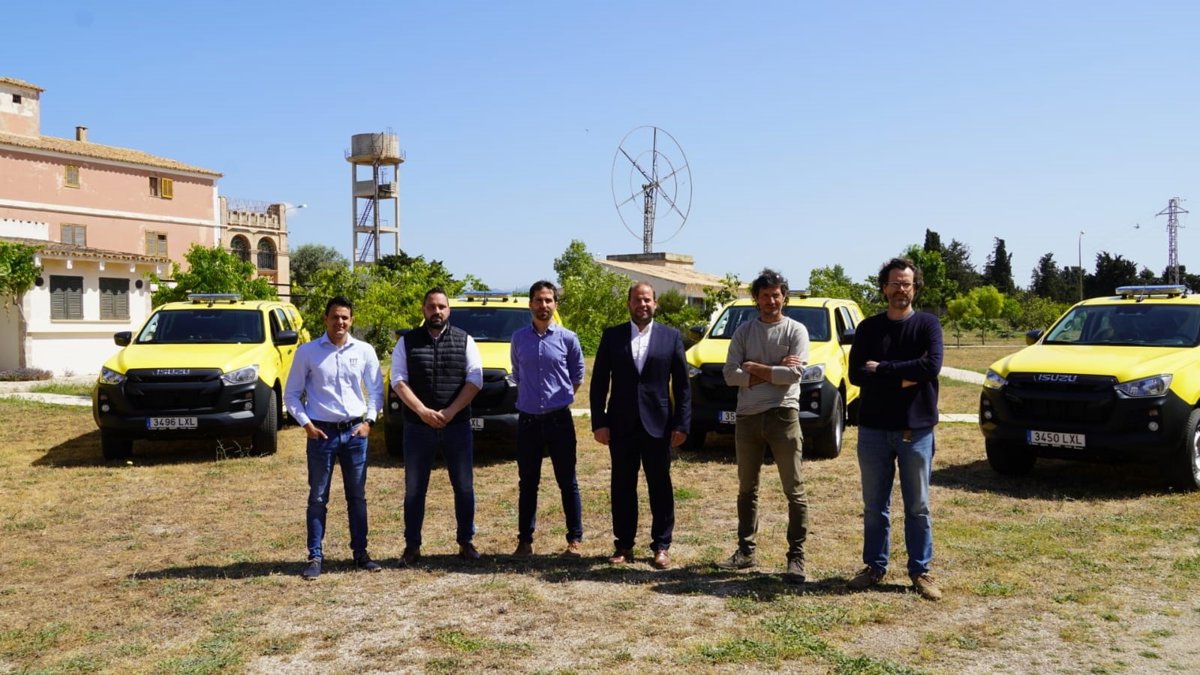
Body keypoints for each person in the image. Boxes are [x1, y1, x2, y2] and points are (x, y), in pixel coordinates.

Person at [847, 257, 944, 600]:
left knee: (918, 506)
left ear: (915, 288)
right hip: (873, 429)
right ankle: (874, 567)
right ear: (884, 288)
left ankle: (921, 571)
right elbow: (856, 374)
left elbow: (931, 366)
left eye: (907, 283)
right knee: (875, 506)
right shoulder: (868, 328)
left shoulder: (928, 325)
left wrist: (883, 369)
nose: (901, 289)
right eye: (895, 283)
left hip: (916, 430)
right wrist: (905, 376)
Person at [716, 269, 810, 584]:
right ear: (756, 299)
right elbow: (730, 375)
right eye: (765, 295)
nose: (771, 301)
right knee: (747, 488)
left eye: (776, 295)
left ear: (784, 297)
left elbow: (793, 376)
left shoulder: (796, 331)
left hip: (784, 415)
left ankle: (796, 557)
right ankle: (746, 551)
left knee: (794, 489)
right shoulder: (743, 332)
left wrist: (754, 368)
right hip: (747, 418)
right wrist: (773, 370)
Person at [590, 282, 691, 569]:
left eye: (647, 300)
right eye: (637, 300)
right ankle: (624, 544)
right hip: (621, 424)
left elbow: (682, 386)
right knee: (622, 485)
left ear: (655, 304)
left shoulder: (671, 337)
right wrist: (599, 422)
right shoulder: (612, 336)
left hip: (659, 425)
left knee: (660, 486)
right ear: (629, 304)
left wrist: (682, 424)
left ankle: (662, 545)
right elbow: (599, 383)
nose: (642, 304)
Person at [284, 296, 384, 581]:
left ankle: (360, 554)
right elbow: (292, 394)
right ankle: (315, 556)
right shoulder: (308, 352)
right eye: (335, 317)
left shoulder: (364, 350)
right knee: (318, 497)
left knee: (357, 497)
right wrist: (307, 425)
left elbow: (375, 390)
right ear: (325, 319)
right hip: (321, 434)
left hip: (355, 434)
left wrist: (369, 422)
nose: (340, 322)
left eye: (345, 317)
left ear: (351, 320)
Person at [390, 287, 483, 564]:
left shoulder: (465, 340)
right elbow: (398, 381)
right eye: (431, 306)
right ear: (424, 309)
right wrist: (422, 411)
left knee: (464, 487)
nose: (437, 311)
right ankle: (412, 546)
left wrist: (451, 411)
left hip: (457, 426)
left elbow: (475, 379)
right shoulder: (407, 342)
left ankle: (466, 542)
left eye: (442, 306)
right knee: (414, 489)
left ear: (448, 310)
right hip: (418, 428)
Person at [508, 280, 586, 557]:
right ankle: (525, 541)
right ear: (530, 304)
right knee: (528, 483)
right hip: (528, 421)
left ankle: (574, 540)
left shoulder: (568, 338)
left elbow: (577, 376)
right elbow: (517, 373)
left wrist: (559, 397)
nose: (544, 305)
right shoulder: (518, 338)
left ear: (555, 304)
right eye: (539, 300)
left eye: (548, 300)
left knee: (567, 481)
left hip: (558, 421)